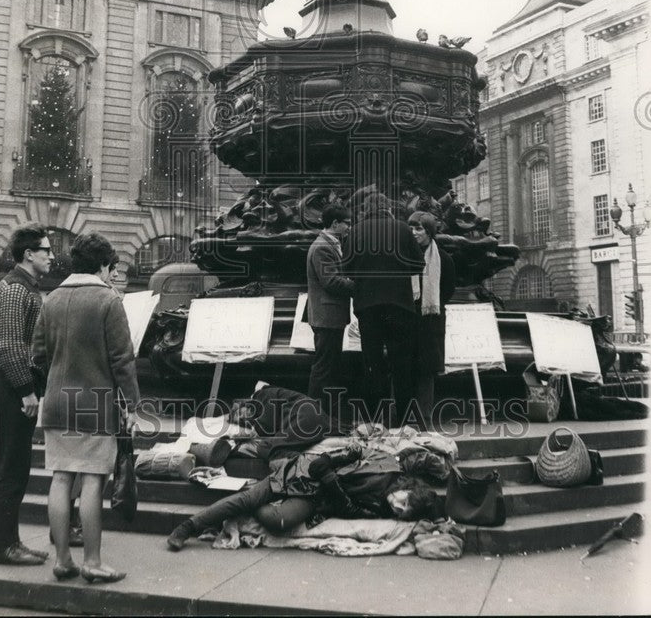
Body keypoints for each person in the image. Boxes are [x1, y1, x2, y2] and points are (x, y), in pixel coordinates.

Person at [32, 233, 139, 583]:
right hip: (94, 406)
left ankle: (63, 560)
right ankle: (92, 561)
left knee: (61, 479)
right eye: (111, 268)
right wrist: (133, 406)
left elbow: (38, 356)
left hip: (57, 404)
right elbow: (122, 359)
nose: (112, 276)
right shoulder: (108, 300)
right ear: (102, 265)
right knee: (93, 481)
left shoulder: (51, 299)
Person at [166, 442, 440, 551]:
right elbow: (330, 461)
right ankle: (187, 527)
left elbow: (347, 509)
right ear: (408, 486)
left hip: (314, 499)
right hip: (299, 472)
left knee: (278, 522)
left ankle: (256, 499)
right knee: (247, 500)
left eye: (402, 511)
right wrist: (338, 466)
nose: (397, 505)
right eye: (404, 499)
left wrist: (331, 483)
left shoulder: (378, 510)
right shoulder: (385, 463)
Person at [0, 223, 52, 566]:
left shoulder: (24, 286)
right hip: (12, 382)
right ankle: (1, 547)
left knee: (16, 466)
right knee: (12, 467)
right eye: (47, 250)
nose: (52, 256)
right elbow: (10, 346)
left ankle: (10, 541)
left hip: (13, 381)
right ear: (29, 254)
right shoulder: (14, 288)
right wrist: (26, 392)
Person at [344, 193, 424, 427]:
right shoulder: (401, 229)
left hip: (368, 307)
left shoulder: (356, 230)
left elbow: (346, 267)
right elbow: (419, 265)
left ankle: (374, 420)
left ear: (366, 209)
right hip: (400, 306)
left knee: (373, 363)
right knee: (402, 365)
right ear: (387, 208)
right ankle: (403, 421)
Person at [408, 212, 456, 425]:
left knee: (426, 373)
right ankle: (403, 418)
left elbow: (448, 289)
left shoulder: (443, 259)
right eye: (411, 228)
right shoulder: (405, 256)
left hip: (430, 322)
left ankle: (424, 419)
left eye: (418, 229)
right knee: (404, 368)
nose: (414, 233)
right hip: (408, 320)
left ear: (429, 231)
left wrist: (430, 304)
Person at [305, 204, 354, 411]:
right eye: (347, 223)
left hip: (329, 316)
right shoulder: (322, 247)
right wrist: (361, 286)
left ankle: (323, 413)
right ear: (335, 223)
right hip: (327, 317)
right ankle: (313, 412)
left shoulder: (330, 243)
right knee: (323, 368)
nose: (349, 227)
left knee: (328, 366)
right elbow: (331, 281)